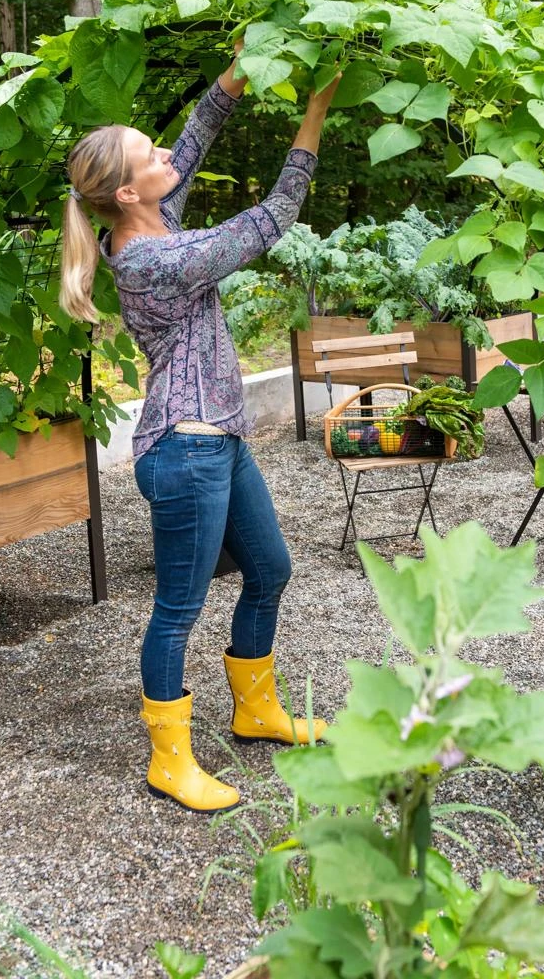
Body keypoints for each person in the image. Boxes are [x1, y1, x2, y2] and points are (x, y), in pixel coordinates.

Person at [59, 44, 340, 813]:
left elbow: (198, 130)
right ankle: (170, 760)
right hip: (185, 450)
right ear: (126, 191)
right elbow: (275, 216)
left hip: (218, 439)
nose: (166, 156)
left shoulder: (158, 215)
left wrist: (244, 66)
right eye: (150, 155)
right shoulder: (157, 259)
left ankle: (256, 712)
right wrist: (315, 111)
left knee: (270, 569)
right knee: (177, 610)